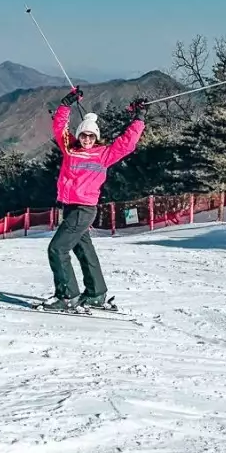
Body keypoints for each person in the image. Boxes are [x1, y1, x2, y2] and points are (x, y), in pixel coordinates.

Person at [43, 88, 147, 312]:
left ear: (96, 137)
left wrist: (139, 118)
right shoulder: (70, 148)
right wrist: (66, 104)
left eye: (91, 136)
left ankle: (67, 296)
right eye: (84, 135)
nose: (87, 139)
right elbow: (59, 127)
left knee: (57, 249)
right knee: (83, 249)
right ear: (79, 135)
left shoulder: (104, 154)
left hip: (84, 209)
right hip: (70, 207)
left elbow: (127, 143)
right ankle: (96, 293)